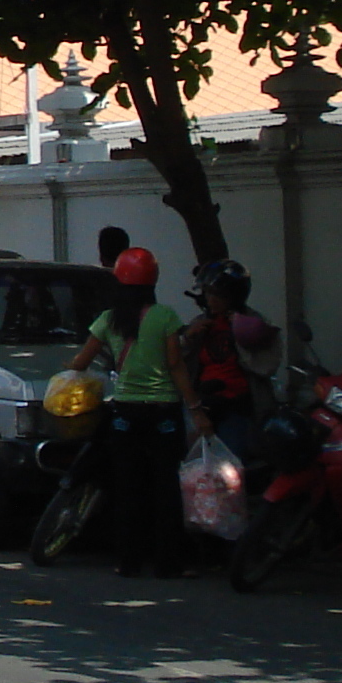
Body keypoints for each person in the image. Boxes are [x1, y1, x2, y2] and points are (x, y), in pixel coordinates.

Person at [65, 246, 206, 577]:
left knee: (128, 488)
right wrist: (195, 407)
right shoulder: (166, 316)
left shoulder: (108, 319)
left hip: (125, 414)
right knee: (165, 488)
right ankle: (168, 564)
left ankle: (128, 561)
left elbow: (82, 362)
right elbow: (176, 365)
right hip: (163, 414)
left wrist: (68, 366)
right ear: (153, 282)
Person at [182, 260, 278, 467]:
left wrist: (242, 333)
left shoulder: (253, 323)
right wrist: (188, 339)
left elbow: (267, 365)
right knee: (195, 467)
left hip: (236, 407)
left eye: (217, 295)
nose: (211, 300)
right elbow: (178, 365)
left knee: (230, 466)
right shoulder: (200, 323)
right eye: (208, 293)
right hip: (202, 406)